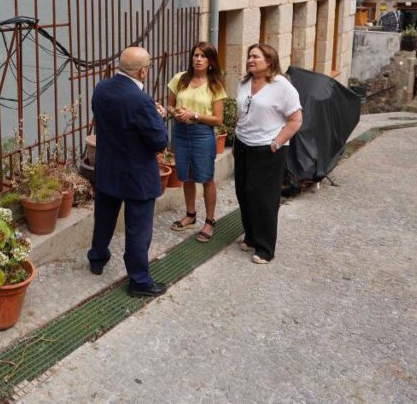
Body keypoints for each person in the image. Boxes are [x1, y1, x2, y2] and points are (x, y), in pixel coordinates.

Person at [87, 46, 169, 297]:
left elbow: (105, 118)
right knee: (138, 230)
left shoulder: (101, 89)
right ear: (143, 72)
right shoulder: (141, 101)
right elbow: (159, 141)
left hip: (109, 167)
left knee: (103, 219)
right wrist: (159, 117)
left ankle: (97, 259)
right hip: (137, 174)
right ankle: (139, 281)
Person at [233, 43, 303, 264]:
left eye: (255, 57)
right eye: (249, 56)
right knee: (244, 193)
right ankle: (251, 236)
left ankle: (265, 248)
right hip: (243, 144)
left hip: (267, 149)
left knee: (263, 198)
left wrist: (276, 143)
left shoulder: (282, 86)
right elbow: (241, 112)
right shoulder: (244, 82)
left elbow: (296, 120)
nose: (250, 60)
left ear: (270, 61)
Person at [166, 42, 227, 243]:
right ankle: (190, 215)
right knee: (187, 176)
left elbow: (218, 119)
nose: (198, 59)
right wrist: (176, 113)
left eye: (203, 56)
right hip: (181, 133)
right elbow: (170, 105)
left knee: (206, 177)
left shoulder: (215, 85)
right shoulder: (180, 79)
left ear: (210, 62)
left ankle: (210, 220)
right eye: (196, 55)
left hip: (203, 135)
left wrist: (195, 114)